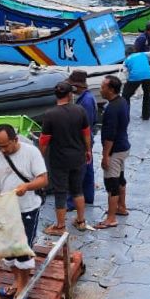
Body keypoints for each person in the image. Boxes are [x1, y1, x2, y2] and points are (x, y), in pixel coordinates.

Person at [0, 123, 48, 298]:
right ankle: (17, 281)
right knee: (8, 250)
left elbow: (43, 179)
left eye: (5, 145)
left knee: (22, 250)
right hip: (5, 209)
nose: (2, 150)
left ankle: (23, 287)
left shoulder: (31, 152)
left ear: (15, 139)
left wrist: (28, 186)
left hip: (27, 207)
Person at [39, 82, 92, 234]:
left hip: (58, 160)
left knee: (60, 192)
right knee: (77, 190)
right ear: (70, 95)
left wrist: (40, 158)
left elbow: (44, 140)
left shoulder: (50, 114)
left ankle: (60, 226)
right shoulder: (80, 110)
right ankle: (81, 221)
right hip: (78, 157)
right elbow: (86, 133)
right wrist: (88, 150)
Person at [96, 76, 130, 229]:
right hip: (124, 146)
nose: (100, 89)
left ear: (110, 89)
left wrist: (105, 156)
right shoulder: (122, 101)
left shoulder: (111, 109)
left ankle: (111, 218)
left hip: (115, 151)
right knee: (121, 179)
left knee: (112, 184)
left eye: (103, 87)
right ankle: (121, 207)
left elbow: (110, 136)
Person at [66, 69, 97, 210]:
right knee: (88, 170)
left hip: (82, 141)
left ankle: (72, 202)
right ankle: (88, 197)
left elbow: (85, 125)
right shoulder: (87, 98)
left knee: (78, 172)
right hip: (86, 140)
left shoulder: (86, 102)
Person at [122, 47, 150, 120]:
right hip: (149, 76)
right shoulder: (142, 54)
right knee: (147, 94)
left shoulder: (126, 60)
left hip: (135, 77)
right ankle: (146, 115)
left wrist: (129, 85)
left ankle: (125, 116)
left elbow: (126, 74)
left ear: (126, 55)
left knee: (125, 95)